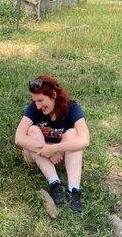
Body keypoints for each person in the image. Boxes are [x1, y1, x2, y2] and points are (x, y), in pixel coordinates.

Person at [15, 75, 90, 212]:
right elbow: (18, 138)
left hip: (61, 158)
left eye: (41, 100)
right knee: (32, 130)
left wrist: (55, 148)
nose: (37, 106)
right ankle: (54, 183)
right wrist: (48, 151)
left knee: (73, 134)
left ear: (54, 94)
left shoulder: (71, 107)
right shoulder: (33, 109)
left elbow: (85, 140)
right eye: (34, 101)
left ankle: (74, 190)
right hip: (37, 157)